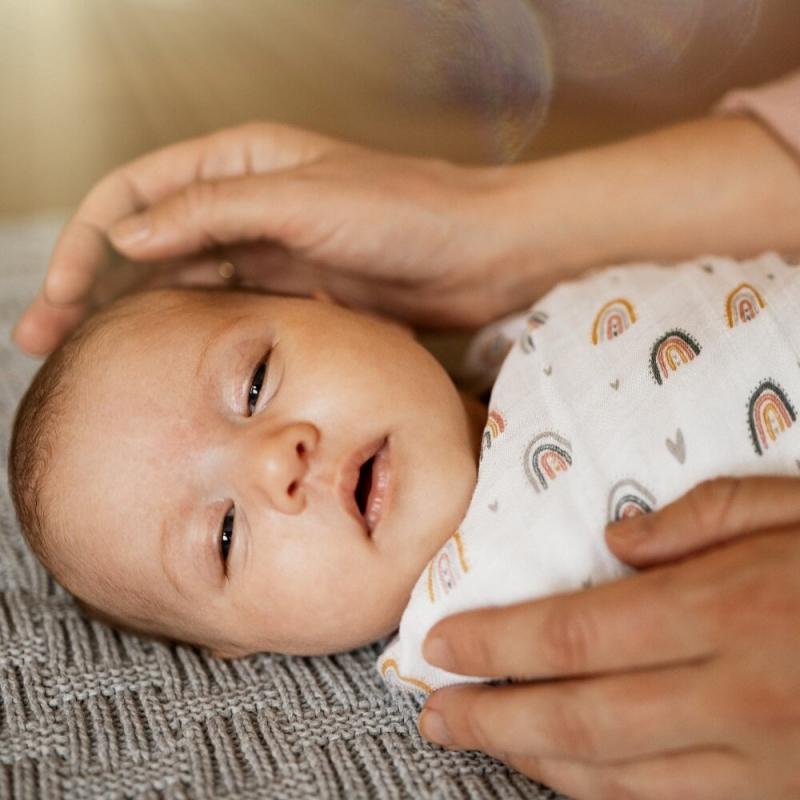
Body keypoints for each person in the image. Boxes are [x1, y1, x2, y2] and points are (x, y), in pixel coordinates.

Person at [11, 70, 800, 799]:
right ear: (249, 644)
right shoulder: (476, 648)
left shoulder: (542, 320)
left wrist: (502, 223)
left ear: (355, 309)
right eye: (222, 536)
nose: (275, 464)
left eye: (254, 384)